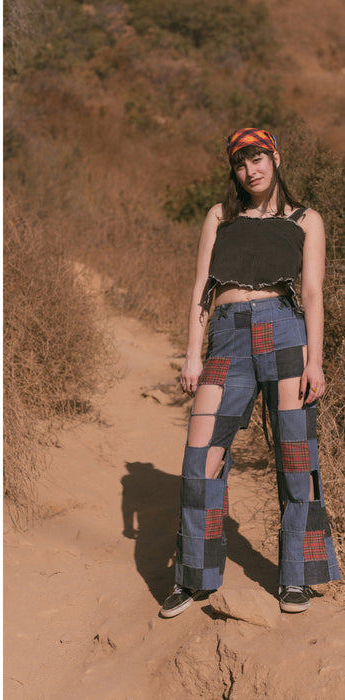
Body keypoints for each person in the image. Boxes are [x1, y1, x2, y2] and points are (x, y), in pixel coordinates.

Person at [160, 128, 340, 618]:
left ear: (275, 157)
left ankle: (296, 578)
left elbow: (314, 293)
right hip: (228, 336)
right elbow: (202, 287)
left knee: (295, 457)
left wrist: (315, 360)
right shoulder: (221, 217)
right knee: (201, 457)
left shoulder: (306, 220)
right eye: (241, 164)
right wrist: (193, 353)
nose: (251, 170)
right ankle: (193, 577)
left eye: (258, 158)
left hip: (285, 333)